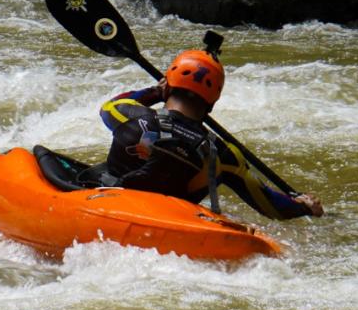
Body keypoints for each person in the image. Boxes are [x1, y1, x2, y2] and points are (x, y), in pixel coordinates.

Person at [98, 43, 324, 219]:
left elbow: (108, 106)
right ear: (212, 102)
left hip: (106, 204)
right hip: (170, 219)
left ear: (168, 84)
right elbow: (270, 206)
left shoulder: (126, 114)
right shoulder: (223, 154)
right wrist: (303, 207)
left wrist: (156, 92)